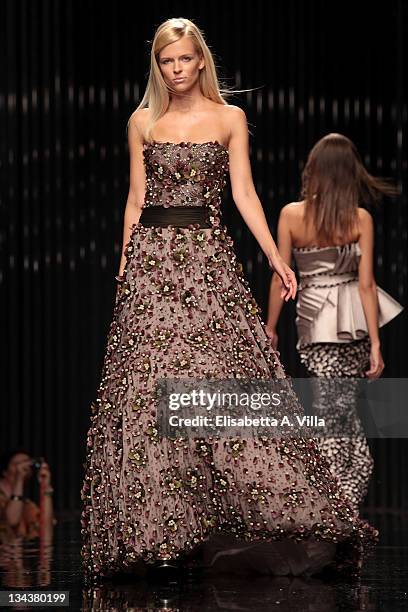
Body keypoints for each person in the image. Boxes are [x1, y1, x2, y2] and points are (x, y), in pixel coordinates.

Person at [80, 19, 377, 584]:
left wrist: (275, 257)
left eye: (186, 60)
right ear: (158, 66)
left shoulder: (229, 118)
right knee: (149, 389)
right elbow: (136, 198)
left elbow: (243, 192)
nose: (177, 71)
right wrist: (124, 264)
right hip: (152, 263)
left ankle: (225, 525)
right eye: (167, 62)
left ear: (201, 62)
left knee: (221, 381)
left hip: (209, 262)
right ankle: (161, 533)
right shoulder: (142, 121)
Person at [266, 133, 403, 511]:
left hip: (315, 320)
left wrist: (271, 326)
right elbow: (366, 284)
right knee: (340, 410)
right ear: (349, 174)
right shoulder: (359, 218)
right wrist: (374, 343)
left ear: (314, 170)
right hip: (354, 325)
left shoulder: (292, 215)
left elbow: (281, 275)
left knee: (334, 410)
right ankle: (343, 491)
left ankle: (335, 501)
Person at [0, 450, 55, 541]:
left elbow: (46, 531)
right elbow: (12, 521)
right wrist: (19, 479)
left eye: (27, 463)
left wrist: (46, 488)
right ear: (4, 471)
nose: (22, 467)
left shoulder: (27, 505)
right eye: (17, 464)